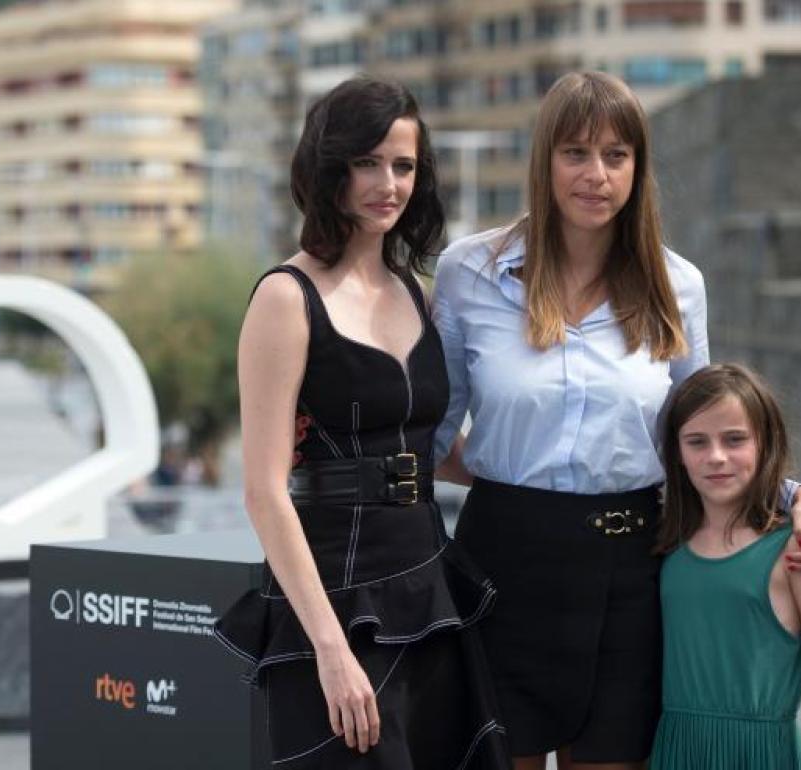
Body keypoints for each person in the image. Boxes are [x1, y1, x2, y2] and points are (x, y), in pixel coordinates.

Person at [431, 71, 801, 770]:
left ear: (638, 168)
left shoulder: (678, 285)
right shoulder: (469, 272)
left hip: (631, 568)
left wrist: (791, 494)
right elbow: (435, 434)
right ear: (545, 161)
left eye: (616, 155)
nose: (596, 175)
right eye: (576, 153)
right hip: (502, 561)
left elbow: (703, 422)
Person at [213, 77, 509, 770]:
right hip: (333, 599)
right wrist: (330, 649)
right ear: (330, 167)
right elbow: (263, 490)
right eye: (368, 162)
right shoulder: (286, 299)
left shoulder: (420, 293)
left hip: (429, 582)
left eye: (403, 166)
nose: (389, 183)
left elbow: (438, 450)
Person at [650, 363, 801, 770]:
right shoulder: (666, 542)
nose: (716, 457)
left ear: (766, 443)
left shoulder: (798, 548)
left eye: (735, 439)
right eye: (697, 442)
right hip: (674, 753)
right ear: (677, 453)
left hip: (760, 755)